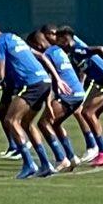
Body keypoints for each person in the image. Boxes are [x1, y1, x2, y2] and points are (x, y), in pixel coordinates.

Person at [0, 20, 56, 180]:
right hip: (44, 82)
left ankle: (29, 164)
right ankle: (46, 164)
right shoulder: (14, 37)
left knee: (11, 120)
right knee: (26, 123)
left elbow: (0, 75)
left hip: (31, 83)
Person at [56, 24, 103, 166]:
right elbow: (83, 69)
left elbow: (100, 49)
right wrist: (80, 84)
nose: (58, 44)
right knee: (89, 114)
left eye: (59, 40)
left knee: (88, 113)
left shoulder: (77, 48)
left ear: (66, 39)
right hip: (100, 82)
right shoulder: (72, 54)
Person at [32, 26, 85, 174]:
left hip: (69, 93)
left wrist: (48, 104)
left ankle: (61, 158)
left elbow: (49, 80)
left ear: (37, 45)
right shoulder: (58, 51)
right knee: (56, 124)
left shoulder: (47, 55)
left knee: (43, 123)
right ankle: (72, 157)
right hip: (78, 93)